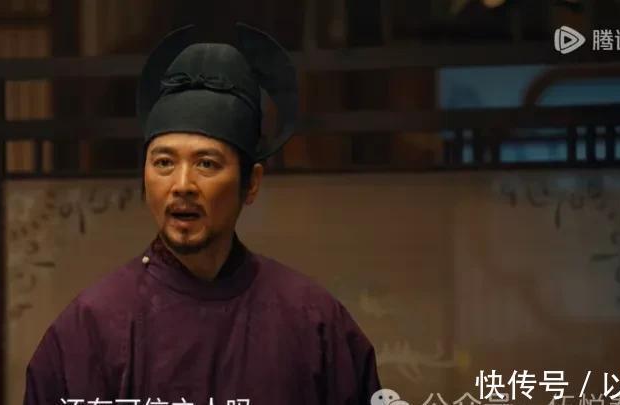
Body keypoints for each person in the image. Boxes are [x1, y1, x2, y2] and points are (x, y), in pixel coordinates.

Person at [23, 23, 381, 405]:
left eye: (206, 164)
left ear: (251, 183)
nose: (182, 185)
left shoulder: (314, 325)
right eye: (163, 162)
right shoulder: (87, 331)